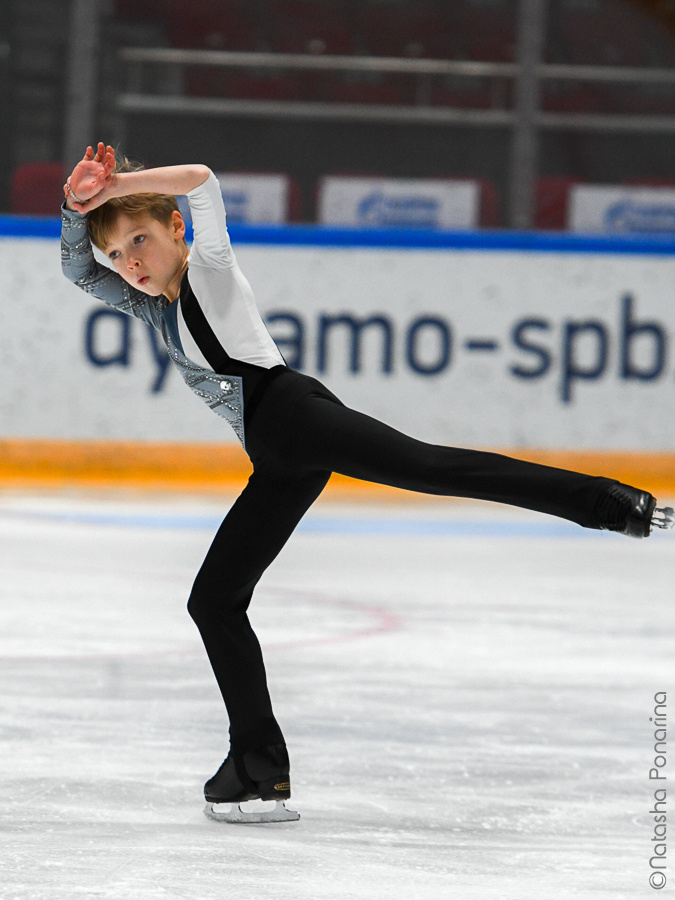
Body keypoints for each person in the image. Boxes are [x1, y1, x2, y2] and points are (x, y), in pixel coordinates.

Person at [61, 142, 673, 824]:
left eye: (139, 240)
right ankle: (257, 769)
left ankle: (611, 503)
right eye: (119, 255)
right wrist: (74, 207)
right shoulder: (153, 309)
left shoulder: (210, 266)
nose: (131, 265)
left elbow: (202, 179)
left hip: (293, 418)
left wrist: (117, 183)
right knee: (213, 600)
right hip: (280, 451)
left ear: (176, 229)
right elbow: (77, 272)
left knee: (432, 468)